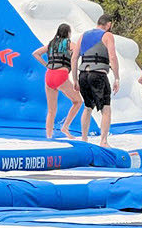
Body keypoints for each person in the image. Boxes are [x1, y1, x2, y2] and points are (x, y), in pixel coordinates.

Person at [71, 14, 119, 147]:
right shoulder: (107, 35)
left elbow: (74, 58)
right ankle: (104, 141)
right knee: (106, 108)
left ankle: (84, 139)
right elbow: (113, 57)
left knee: (87, 107)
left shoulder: (83, 35)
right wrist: (117, 78)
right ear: (108, 24)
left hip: (83, 75)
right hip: (98, 75)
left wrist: (74, 79)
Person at [32, 24, 83, 139]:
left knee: (51, 111)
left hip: (49, 75)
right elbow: (79, 51)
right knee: (78, 101)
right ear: (68, 33)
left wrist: (46, 65)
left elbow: (35, 53)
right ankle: (65, 127)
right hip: (61, 75)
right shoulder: (69, 43)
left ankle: (49, 136)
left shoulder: (51, 44)